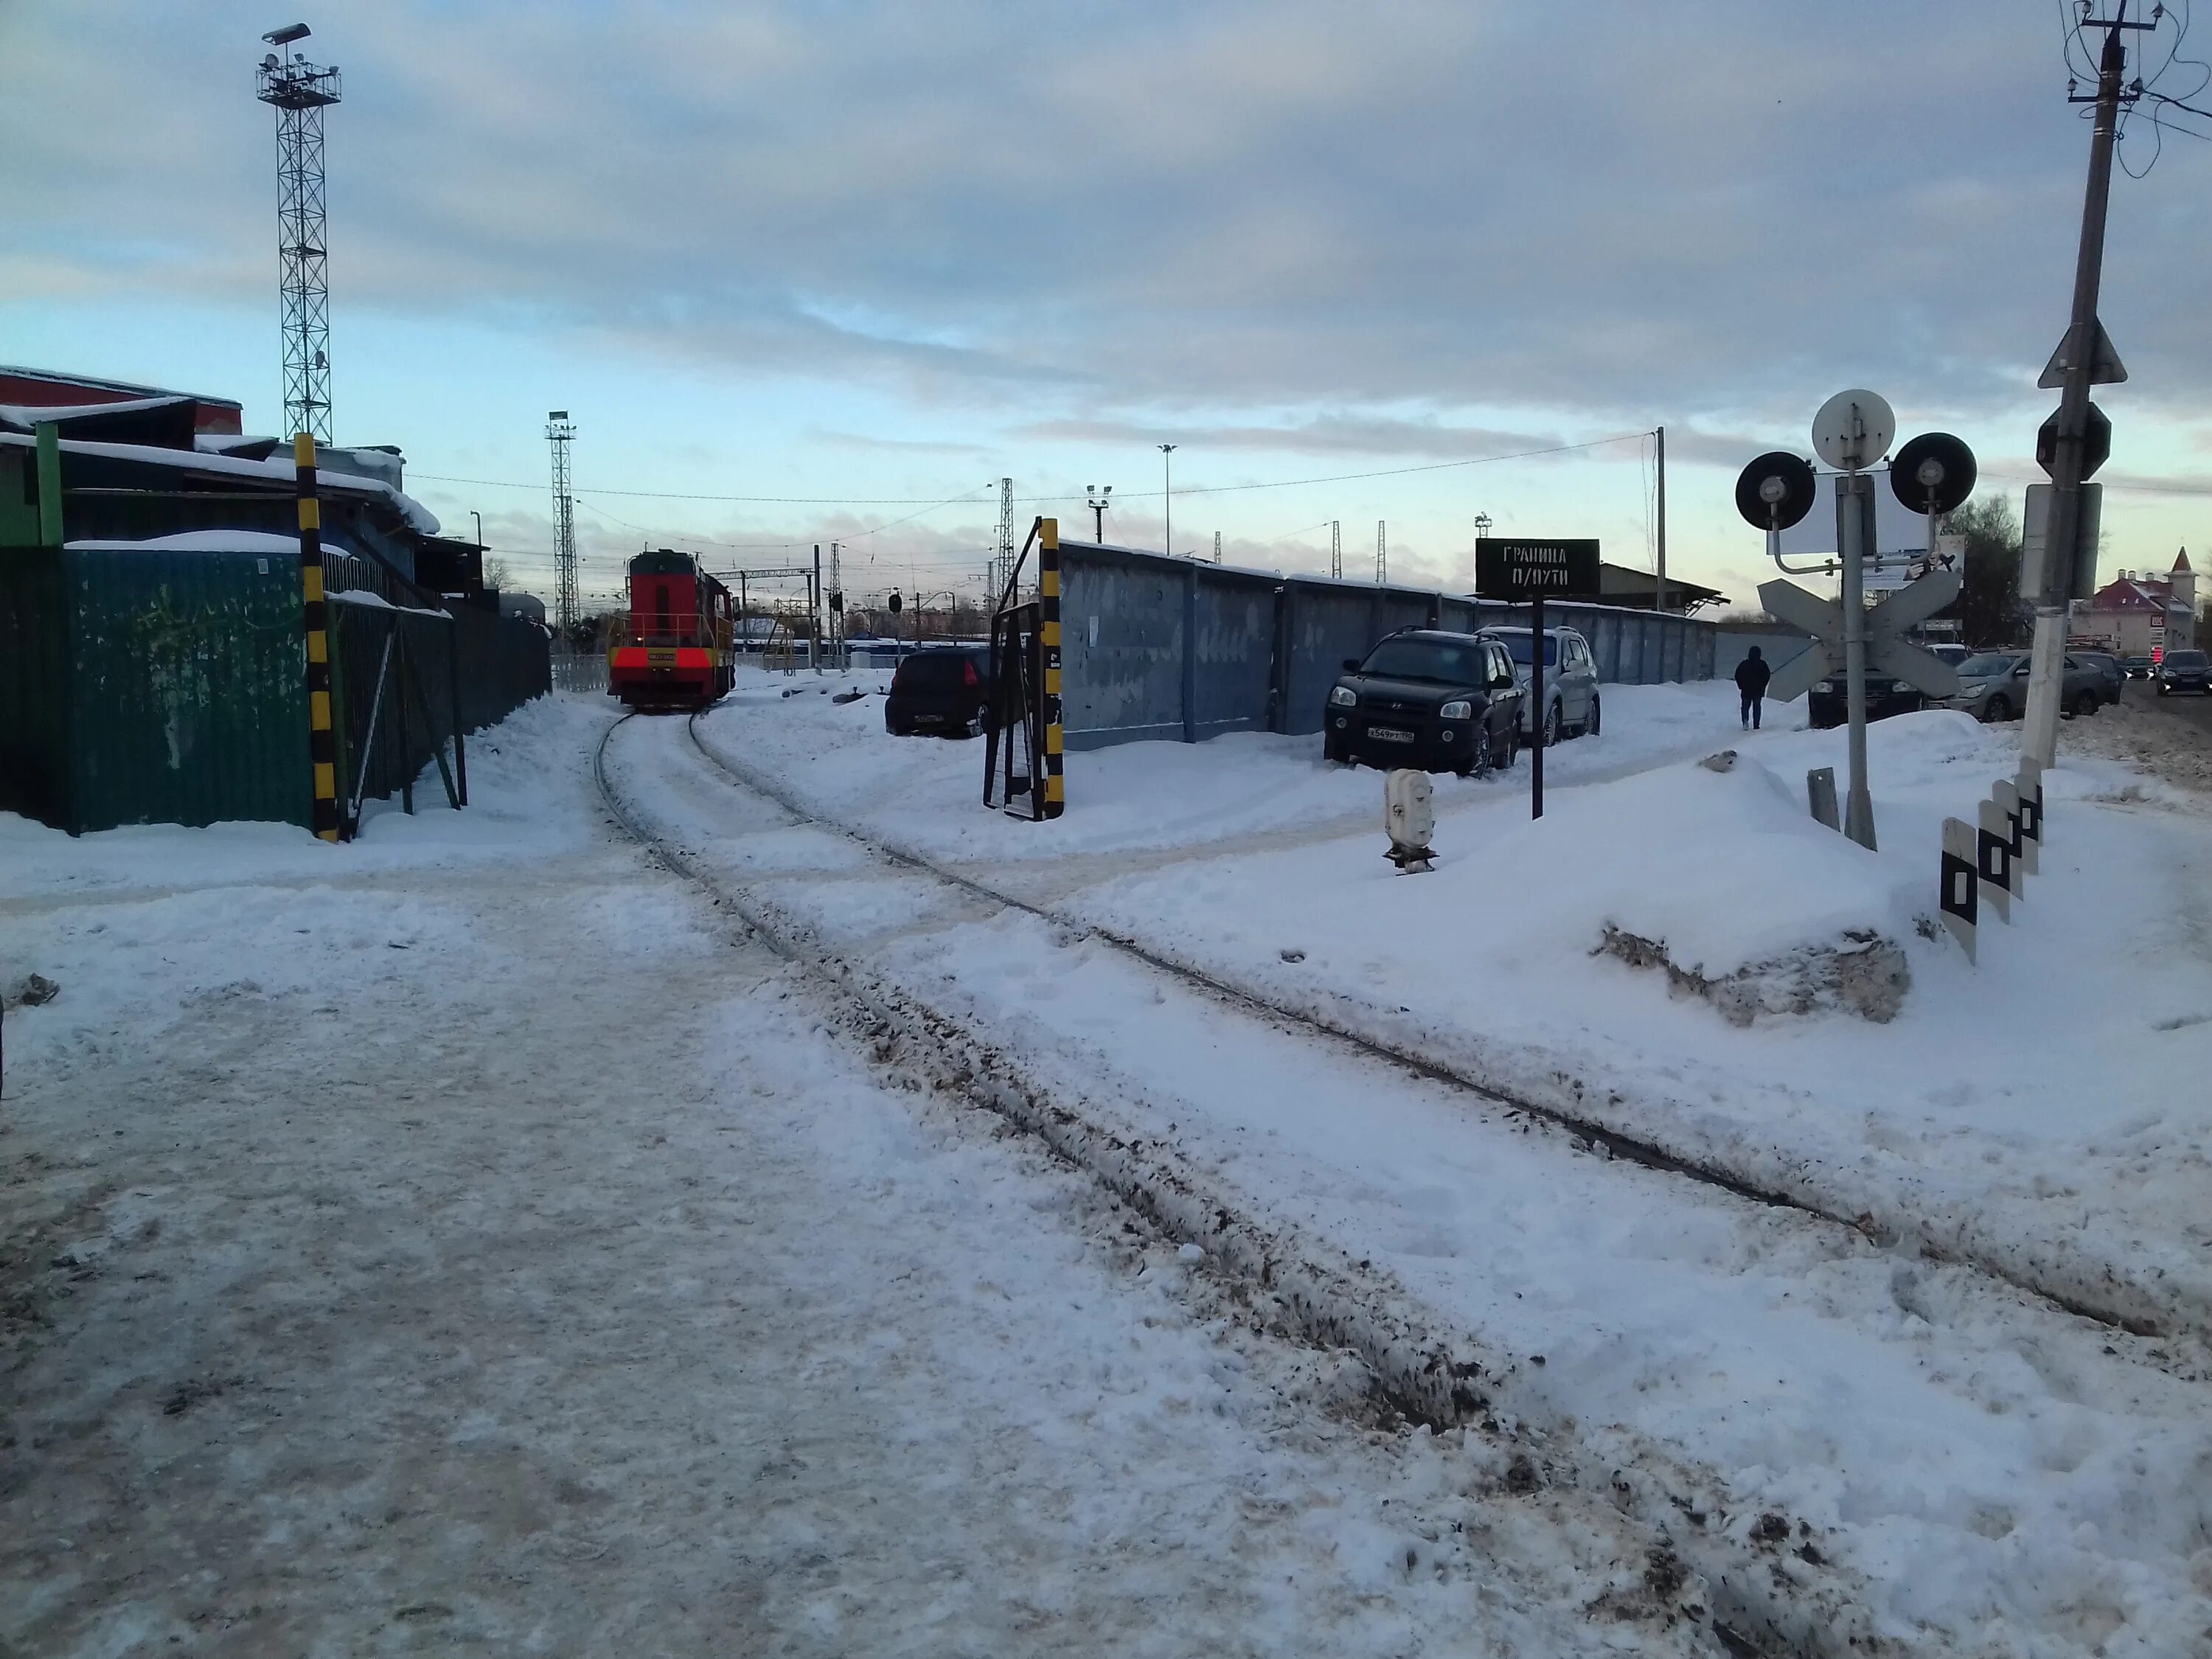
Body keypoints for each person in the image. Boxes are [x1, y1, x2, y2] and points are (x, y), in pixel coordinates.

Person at [1734, 646, 1770, 731]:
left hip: (1746, 689)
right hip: (1758, 690)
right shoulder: (1763, 664)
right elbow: (1767, 676)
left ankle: (1745, 721)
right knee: (1757, 707)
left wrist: (1741, 685)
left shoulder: (1744, 664)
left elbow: (1737, 675)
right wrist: (1763, 685)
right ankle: (1756, 725)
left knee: (1745, 707)